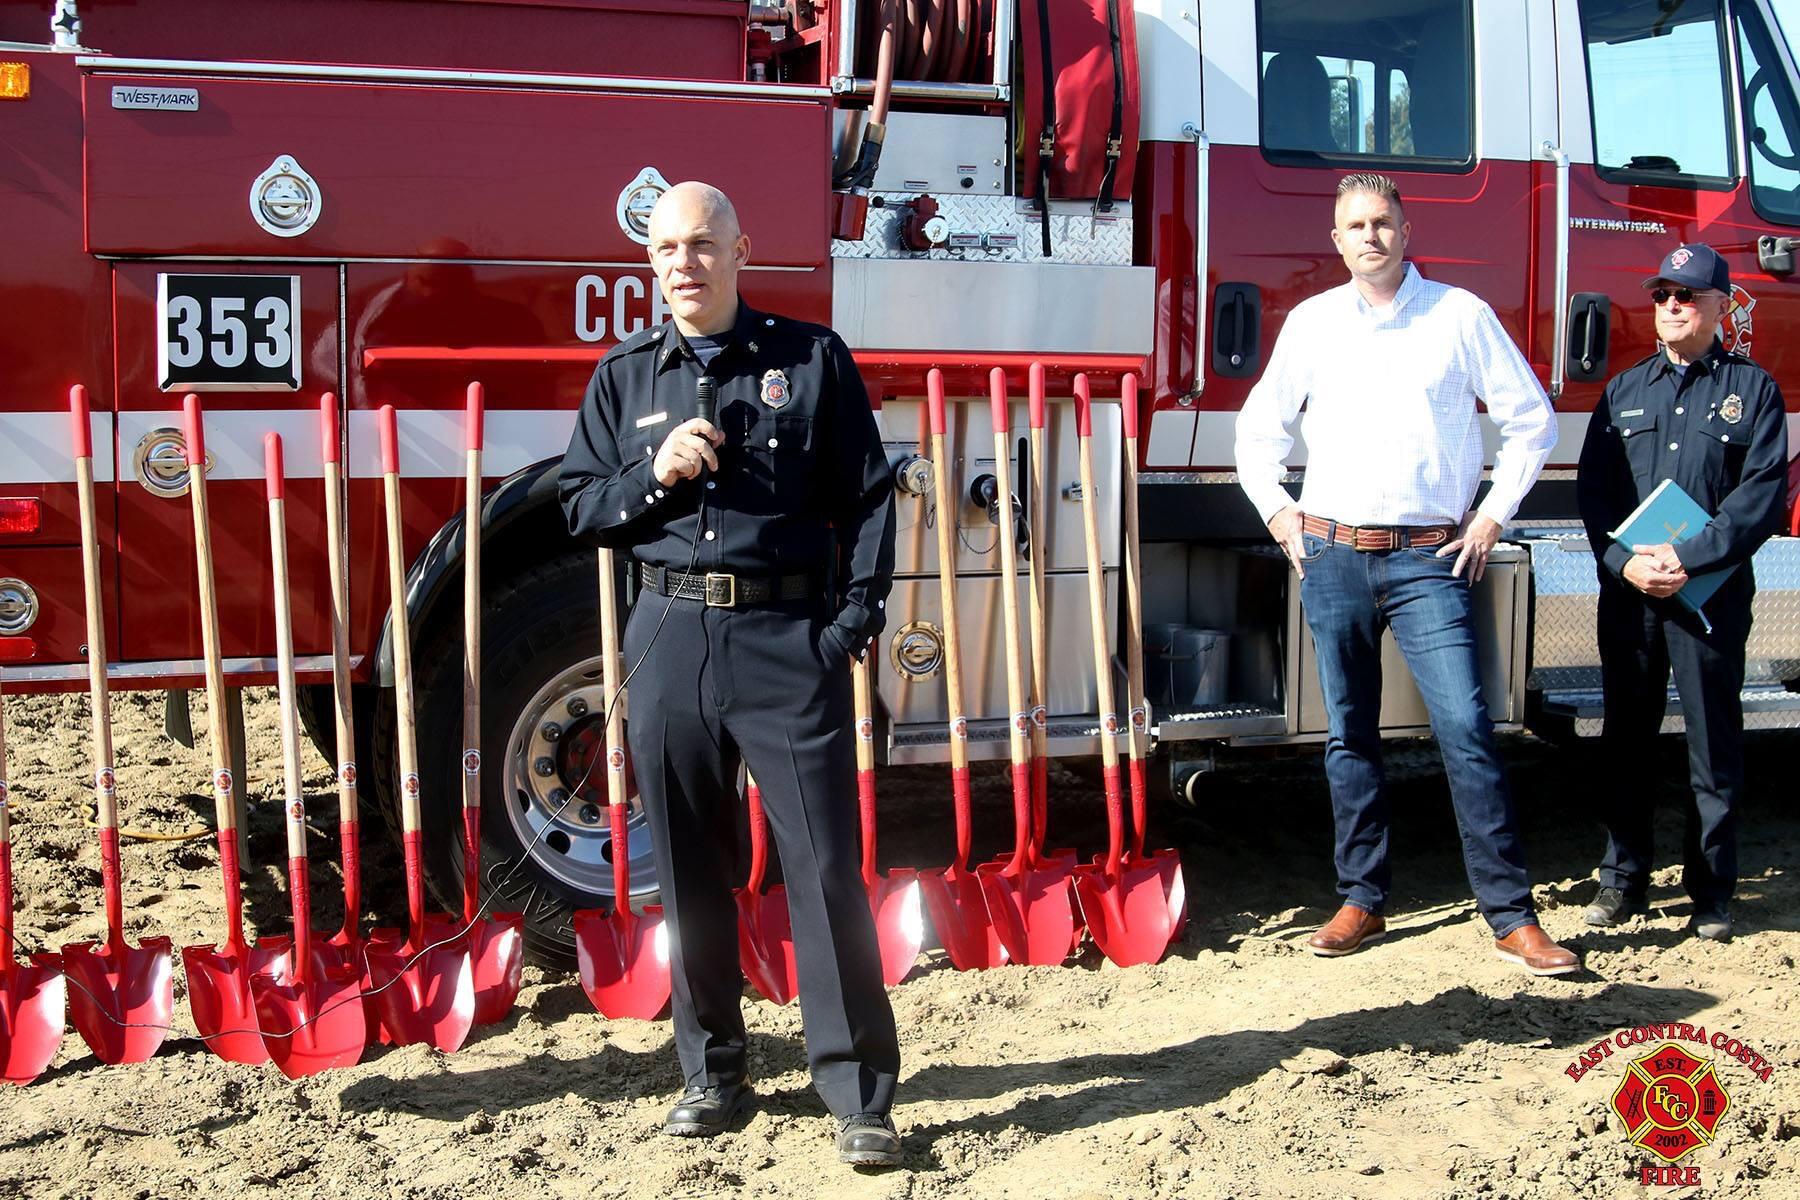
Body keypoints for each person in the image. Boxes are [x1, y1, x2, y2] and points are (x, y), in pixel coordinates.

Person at [558, 182, 903, 1167]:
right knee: (690, 872)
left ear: (741, 251)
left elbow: (871, 501)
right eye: (666, 247)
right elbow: (580, 509)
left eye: (703, 245)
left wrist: (849, 627)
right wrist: (652, 476)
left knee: (825, 870)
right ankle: (713, 1075)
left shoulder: (810, 359)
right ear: (651, 260)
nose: (684, 263)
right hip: (666, 640)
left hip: (785, 645)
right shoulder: (624, 378)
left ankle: (858, 1094)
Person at [1233, 172, 1578, 976]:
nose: (1370, 237)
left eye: (1382, 222)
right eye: (1354, 225)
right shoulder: (1314, 324)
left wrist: (1492, 517)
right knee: (1349, 736)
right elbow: (1258, 433)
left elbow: (1531, 423)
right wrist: (1280, 514)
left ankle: (1510, 915)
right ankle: (1362, 899)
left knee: (1465, 728)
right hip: (1333, 556)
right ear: (1336, 240)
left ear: (1406, 228)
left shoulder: (1460, 317)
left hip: (1430, 557)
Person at [1576, 244, 1790, 942]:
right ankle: (1623, 880)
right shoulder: (1625, 390)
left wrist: (1686, 557)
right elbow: (1595, 494)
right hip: (1632, 595)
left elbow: (1760, 499)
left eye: (1689, 295)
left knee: (1712, 742)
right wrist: (1623, 562)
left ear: (1720, 305)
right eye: (1664, 293)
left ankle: (1712, 893)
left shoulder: (1753, 390)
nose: (1672, 305)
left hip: (1710, 598)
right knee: (1626, 739)